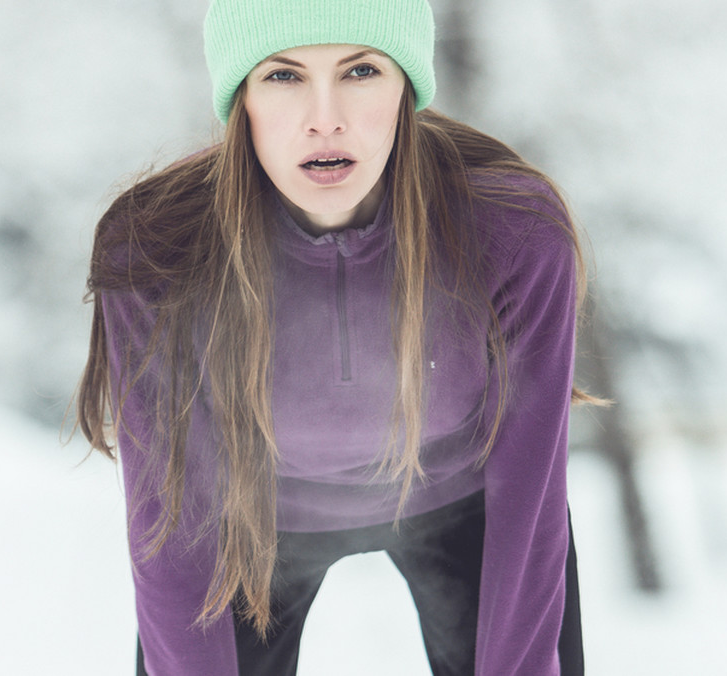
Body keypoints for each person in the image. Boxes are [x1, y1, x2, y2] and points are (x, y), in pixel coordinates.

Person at [76, 0, 597, 673]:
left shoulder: (513, 230)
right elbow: (171, 519)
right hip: (248, 519)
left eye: (360, 70)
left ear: (406, 86)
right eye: (284, 77)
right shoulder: (157, 250)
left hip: (466, 502)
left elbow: (531, 489)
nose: (326, 117)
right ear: (241, 99)